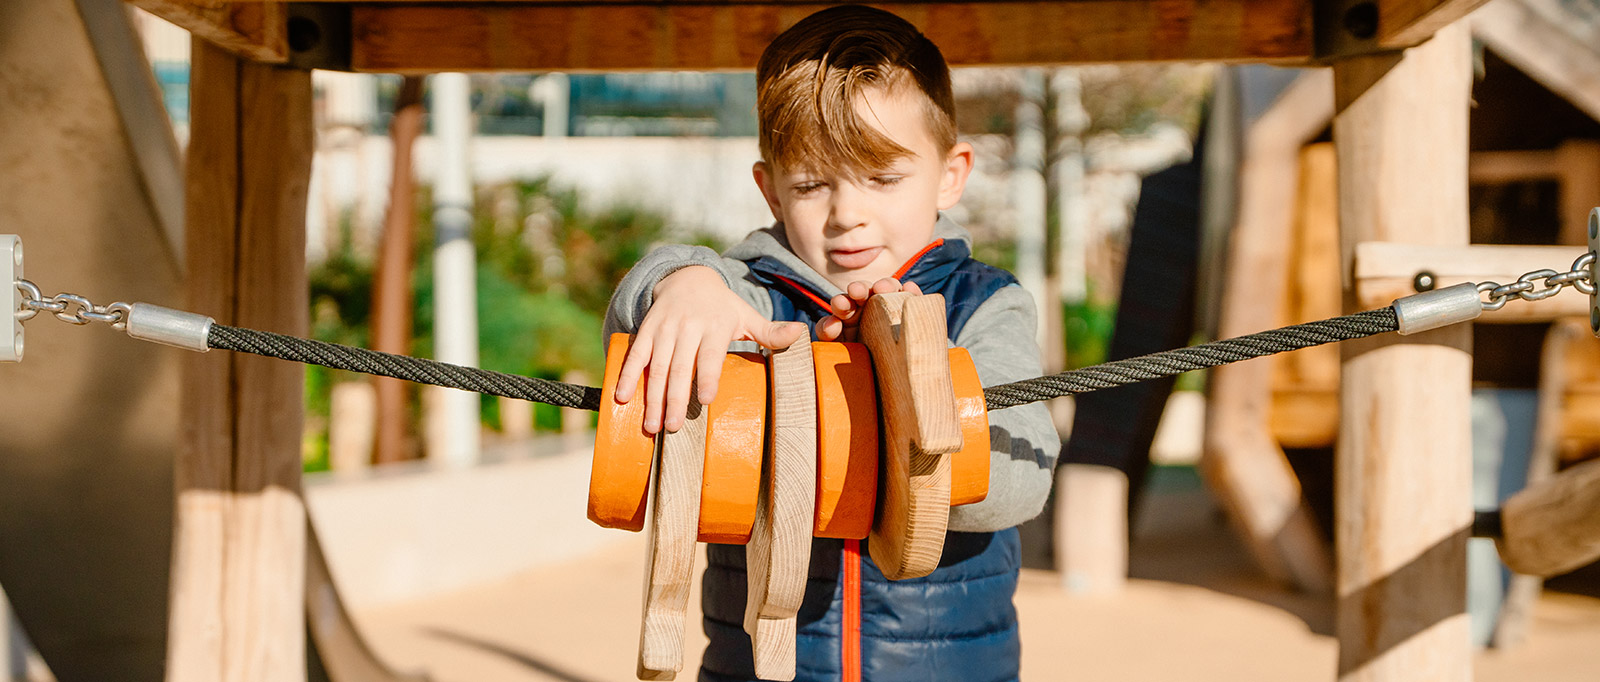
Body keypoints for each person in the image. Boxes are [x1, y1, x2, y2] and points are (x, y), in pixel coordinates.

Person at [603, 6, 1056, 680]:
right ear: (772, 192)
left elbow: (1024, 476)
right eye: (812, 184)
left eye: (884, 178)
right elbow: (633, 338)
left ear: (952, 173)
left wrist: (911, 382)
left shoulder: (985, 304)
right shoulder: (749, 301)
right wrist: (682, 281)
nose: (848, 214)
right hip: (757, 666)